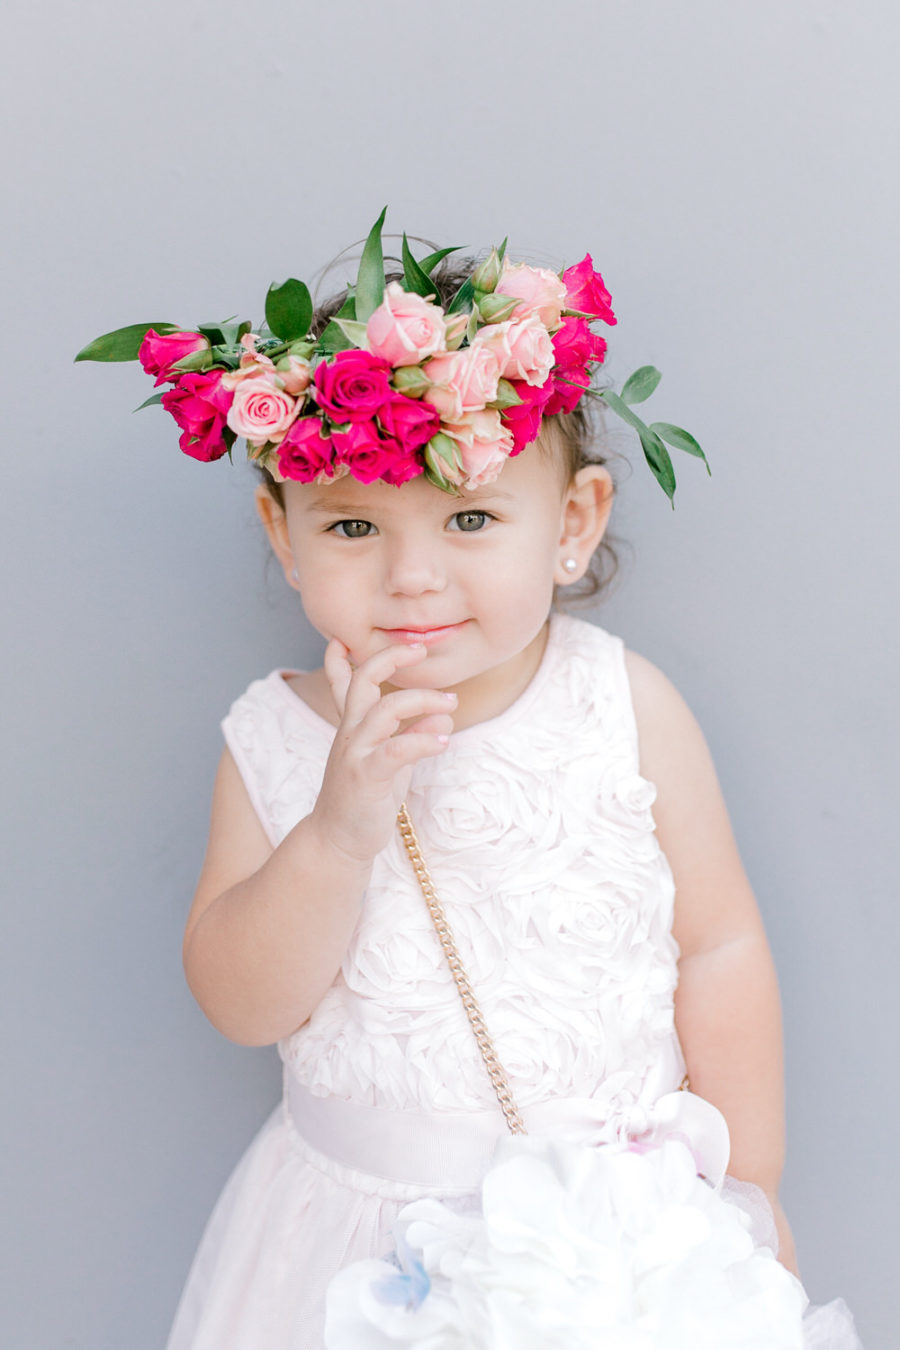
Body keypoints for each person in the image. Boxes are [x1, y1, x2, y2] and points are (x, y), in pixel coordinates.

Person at [79, 218, 861, 1347]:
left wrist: (756, 1187)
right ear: (283, 535)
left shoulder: (624, 705)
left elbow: (720, 945)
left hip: (619, 1243)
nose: (412, 577)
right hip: (366, 1251)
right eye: (352, 525)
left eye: (471, 518)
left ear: (572, 525)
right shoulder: (279, 740)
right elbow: (242, 1004)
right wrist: (338, 832)